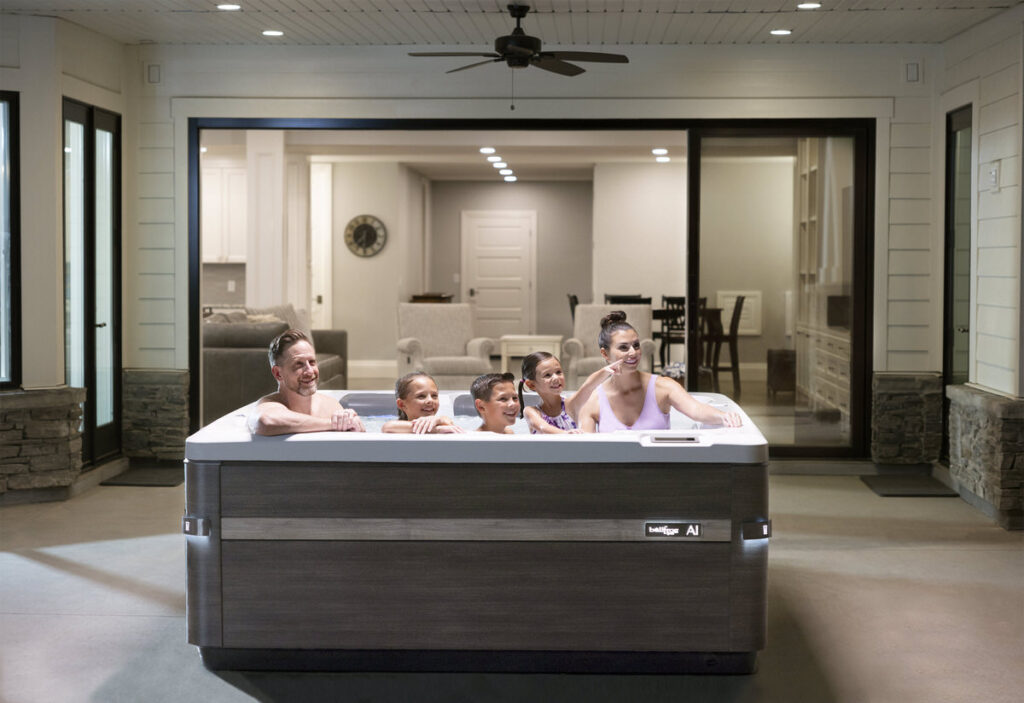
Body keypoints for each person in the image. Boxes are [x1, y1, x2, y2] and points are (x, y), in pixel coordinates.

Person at [578, 311, 742, 432]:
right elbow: (588, 454)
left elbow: (696, 409)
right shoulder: (594, 401)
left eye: (636, 345)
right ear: (605, 354)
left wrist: (723, 416)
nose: (633, 352)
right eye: (623, 347)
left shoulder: (663, 387)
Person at [249, 328, 365, 436]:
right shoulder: (269, 405)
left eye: (312, 362)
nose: (310, 371)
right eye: (299, 364)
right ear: (278, 373)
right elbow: (265, 421)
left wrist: (356, 426)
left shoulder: (330, 406)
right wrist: (332, 424)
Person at [517, 352, 624, 434]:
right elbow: (542, 427)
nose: (556, 378)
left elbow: (588, 386)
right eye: (547, 375)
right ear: (531, 385)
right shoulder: (531, 411)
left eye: (558, 372)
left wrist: (606, 370)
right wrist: (565, 434)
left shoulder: (570, 405)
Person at [382, 372, 464, 434]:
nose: (430, 400)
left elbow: (450, 425)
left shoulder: (442, 421)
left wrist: (440, 419)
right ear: (402, 404)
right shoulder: (396, 427)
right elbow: (387, 427)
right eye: (421, 396)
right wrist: (436, 430)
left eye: (434, 396)